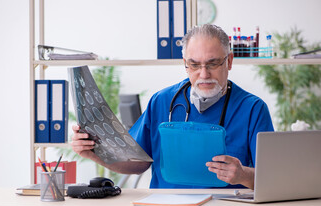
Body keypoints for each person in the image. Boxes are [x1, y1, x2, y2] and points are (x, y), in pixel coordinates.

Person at [71, 24, 274, 190]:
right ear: (185, 63)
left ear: (229, 61)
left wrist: (243, 175)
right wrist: (92, 153)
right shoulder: (161, 101)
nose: (204, 74)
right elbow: (138, 162)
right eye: (194, 65)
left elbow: (273, 180)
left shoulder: (253, 109)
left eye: (212, 64)